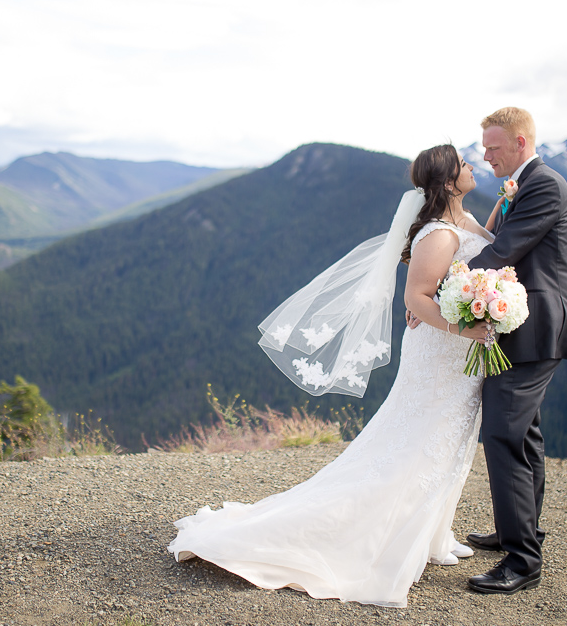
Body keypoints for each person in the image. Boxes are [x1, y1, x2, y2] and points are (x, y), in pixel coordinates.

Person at [168, 144, 494, 608]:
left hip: (458, 353)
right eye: (463, 164)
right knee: (420, 442)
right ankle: (367, 536)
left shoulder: (465, 221)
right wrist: (471, 327)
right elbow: (416, 299)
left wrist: (504, 206)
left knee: (447, 443)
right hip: (442, 353)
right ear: (447, 181)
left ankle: (431, 534)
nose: (471, 167)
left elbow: (487, 249)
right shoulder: (439, 235)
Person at [463, 107, 567, 595]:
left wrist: (436, 285)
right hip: (521, 326)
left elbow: (502, 251)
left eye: (493, 147)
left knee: (503, 433)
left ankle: (523, 560)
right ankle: (521, 533)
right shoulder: (524, 182)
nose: (485, 156)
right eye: (484, 148)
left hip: (536, 328)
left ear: (521, 143)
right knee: (523, 433)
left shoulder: (543, 185)